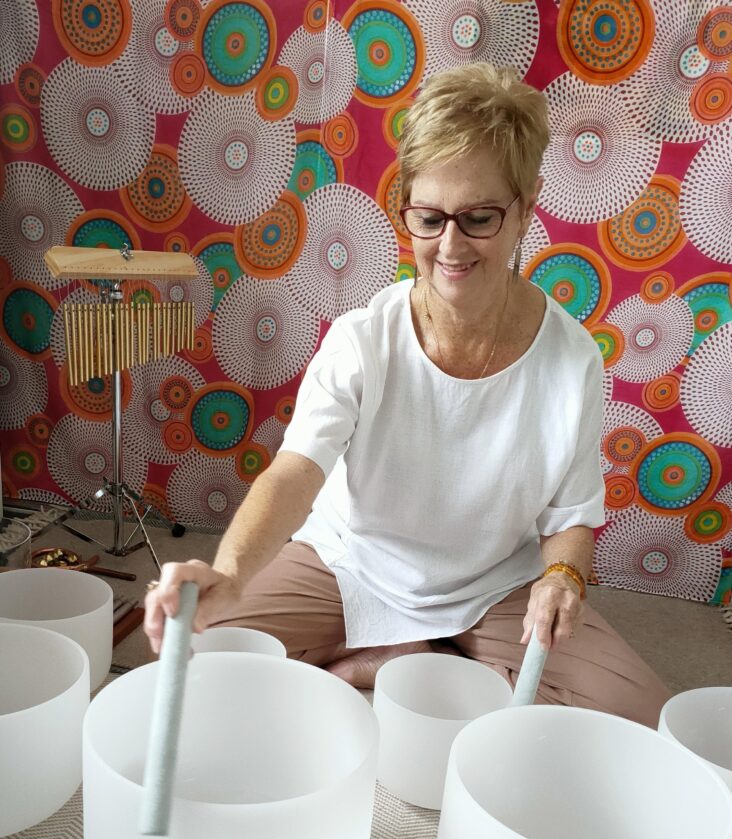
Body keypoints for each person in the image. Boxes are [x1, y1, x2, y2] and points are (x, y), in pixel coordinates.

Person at [145, 62, 669, 727]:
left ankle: (419, 655)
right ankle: (401, 650)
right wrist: (231, 572)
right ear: (406, 209)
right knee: (199, 664)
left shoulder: (571, 360)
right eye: (429, 217)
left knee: (642, 717)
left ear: (525, 209)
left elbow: (569, 519)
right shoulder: (362, 339)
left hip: (491, 586)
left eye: (478, 217)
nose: (450, 246)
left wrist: (562, 581)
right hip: (350, 565)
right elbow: (296, 472)